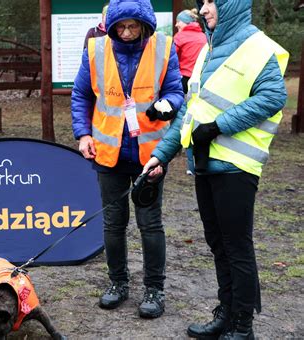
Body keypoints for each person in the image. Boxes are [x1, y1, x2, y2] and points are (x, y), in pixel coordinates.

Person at [143, 0, 288, 338]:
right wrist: (161, 155)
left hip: (236, 167)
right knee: (218, 245)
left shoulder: (257, 46)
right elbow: (189, 113)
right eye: (201, 3)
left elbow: (272, 96)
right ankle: (226, 313)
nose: (204, 9)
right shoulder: (209, 51)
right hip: (205, 164)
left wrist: (218, 125)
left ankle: (242, 326)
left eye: (211, 2)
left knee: (237, 247)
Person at [71, 0, 183, 319]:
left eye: (134, 26)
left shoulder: (164, 47)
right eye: (121, 26)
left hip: (151, 155)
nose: (127, 32)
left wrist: (166, 106)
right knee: (113, 223)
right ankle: (118, 284)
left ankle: (154, 289)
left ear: (145, 25)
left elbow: (176, 92)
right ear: (112, 26)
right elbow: (81, 95)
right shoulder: (95, 50)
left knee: (150, 223)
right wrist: (83, 135)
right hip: (109, 153)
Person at [173, 8, 207, 94]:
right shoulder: (204, 36)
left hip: (183, 79)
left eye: (178, 21)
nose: (176, 25)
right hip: (200, 79)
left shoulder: (180, 36)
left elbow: (171, 58)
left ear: (186, 22)